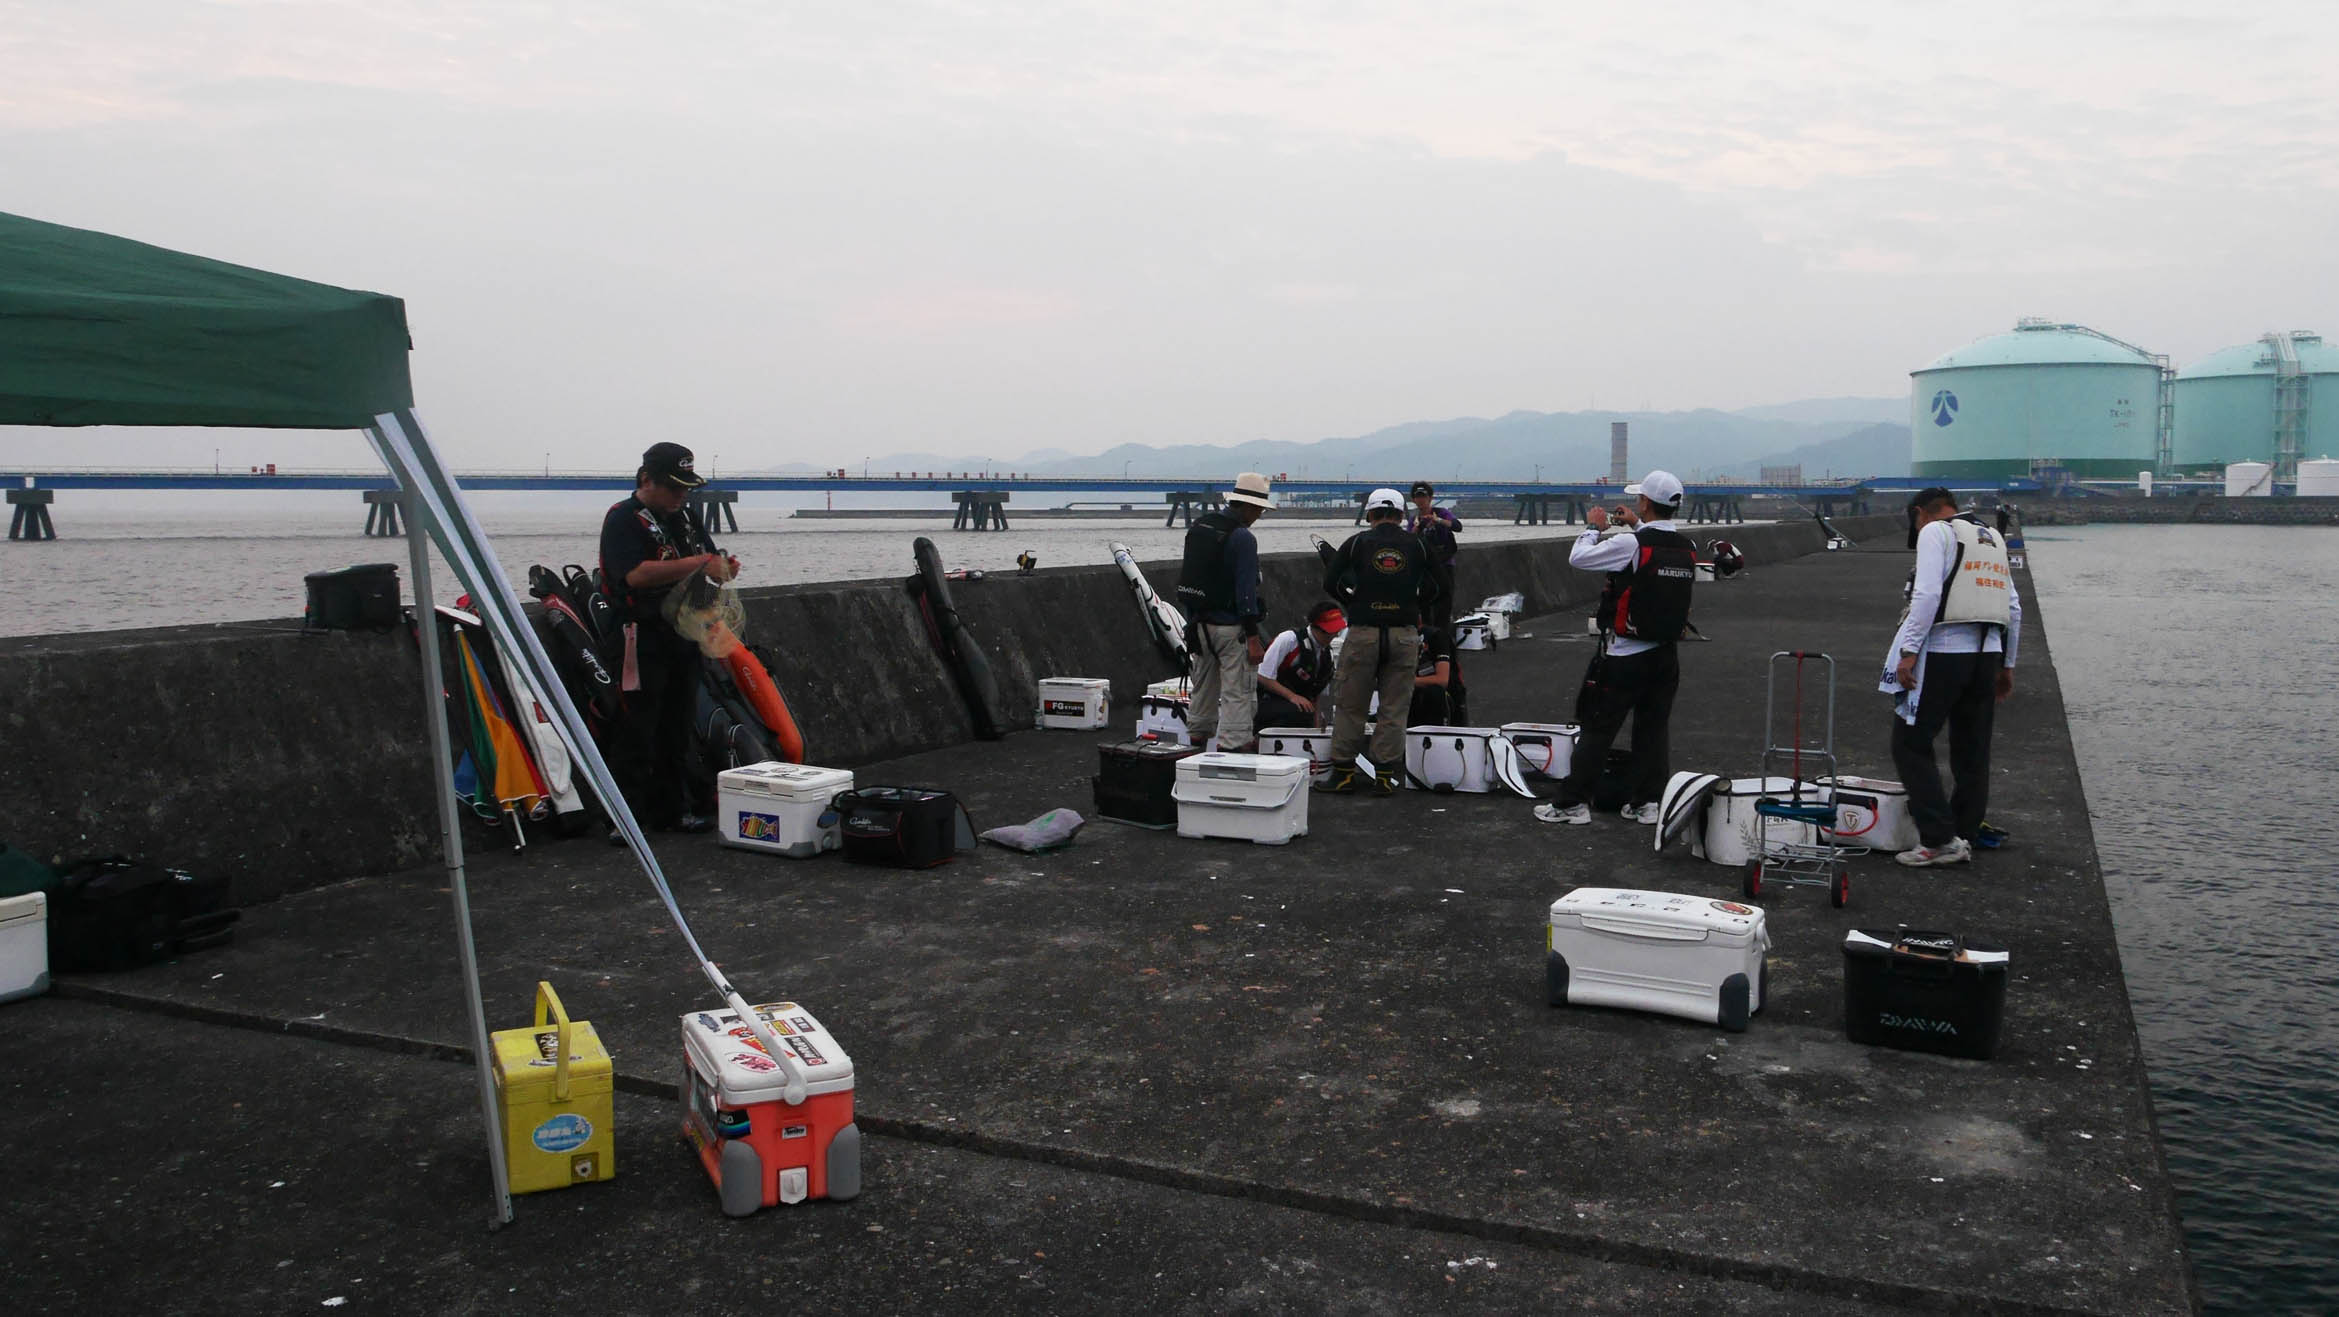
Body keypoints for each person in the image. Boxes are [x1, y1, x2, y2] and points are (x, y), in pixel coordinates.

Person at [1535, 470, 1695, 826]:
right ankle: (1648, 803)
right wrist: (1637, 523)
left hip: (1625, 654)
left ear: (1645, 501)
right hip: (1665, 654)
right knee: (1653, 731)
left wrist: (1593, 527)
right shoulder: (1686, 547)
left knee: (1598, 728)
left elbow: (1579, 558)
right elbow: (1653, 545)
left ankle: (1572, 803)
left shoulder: (1630, 545)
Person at [598, 442, 736, 834]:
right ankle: (626, 817)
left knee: (678, 725)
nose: (681, 495)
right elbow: (634, 575)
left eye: (686, 488)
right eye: (674, 487)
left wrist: (723, 569)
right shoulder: (623, 518)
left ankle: (673, 810)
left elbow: (709, 561)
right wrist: (698, 564)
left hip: (683, 632)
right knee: (637, 726)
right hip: (639, 636)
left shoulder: (687, 517)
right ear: (647, 480)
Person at [1883, 487, 2021, 866]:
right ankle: (1964, 831)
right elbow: (2013, 607)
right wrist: (2007, 664)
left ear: (1920, 513)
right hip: (1987, 655)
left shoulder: (1935, 531)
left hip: (1945, 653)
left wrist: (1908, 652)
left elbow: (1927, 596)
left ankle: (1940, 839)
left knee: (1910, 743)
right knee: (1972, 750)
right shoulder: (1992, 537)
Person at [1318, 488, 1438, 794]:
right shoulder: (1418, 544)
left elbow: (1330, 581)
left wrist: (1353, 601)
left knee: (1351, 704)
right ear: (1401, 514)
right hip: (1403, 633)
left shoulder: (1357, 542)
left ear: (1370, 514)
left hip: (1364, 631)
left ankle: (1344, 774)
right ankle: (1384, 776)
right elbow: (1440, 585)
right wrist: (1414, 605)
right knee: (1394, 707)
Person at [1177, 472, 1272, 752]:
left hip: (1198, 625)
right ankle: (1232, 749)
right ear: (1249, 507)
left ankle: (1195, 745)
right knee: (1237, 692)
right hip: (1230, 628)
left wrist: (1192, 623)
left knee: (1202, 689)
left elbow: (1190, 576)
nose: (1259, 516)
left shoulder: (1200, 527)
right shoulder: (1242, 538)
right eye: (1259, 510)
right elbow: (1246, 594)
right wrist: (1253, 637)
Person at [1256, 602, 1345, 730]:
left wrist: (1316, 723)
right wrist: (1292, 696)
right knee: (1299, 712)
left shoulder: (1327, 655)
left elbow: (1316, 693)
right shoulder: (1289, 639)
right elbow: (1262, 676)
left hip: (1301, 707)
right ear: (1315, 627)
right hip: (1267, 701)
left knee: (1307, 714)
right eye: (1329, 632)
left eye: (1336, 632)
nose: (1333, 636)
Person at [1406, 481, 1463, 628]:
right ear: (1413, 499)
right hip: (1425, 568)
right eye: (1418, 497)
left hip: (1444, 564)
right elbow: (1409, 542)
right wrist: (1417, 528)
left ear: (1430, 498)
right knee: (1424, 604)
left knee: (1444, 604)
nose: (1421, 500)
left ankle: (1443, 634)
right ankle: (1427, 635)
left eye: (1424, 496)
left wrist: (1438, 520)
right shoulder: (1414, 519)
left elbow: (1457, 526)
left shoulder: (1442, 513)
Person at [1407, 621, 1456, 726]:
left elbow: (1442, 680)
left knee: (1434, 692)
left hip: (1429, 697)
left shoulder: (1435, 637)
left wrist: (1404, 681)